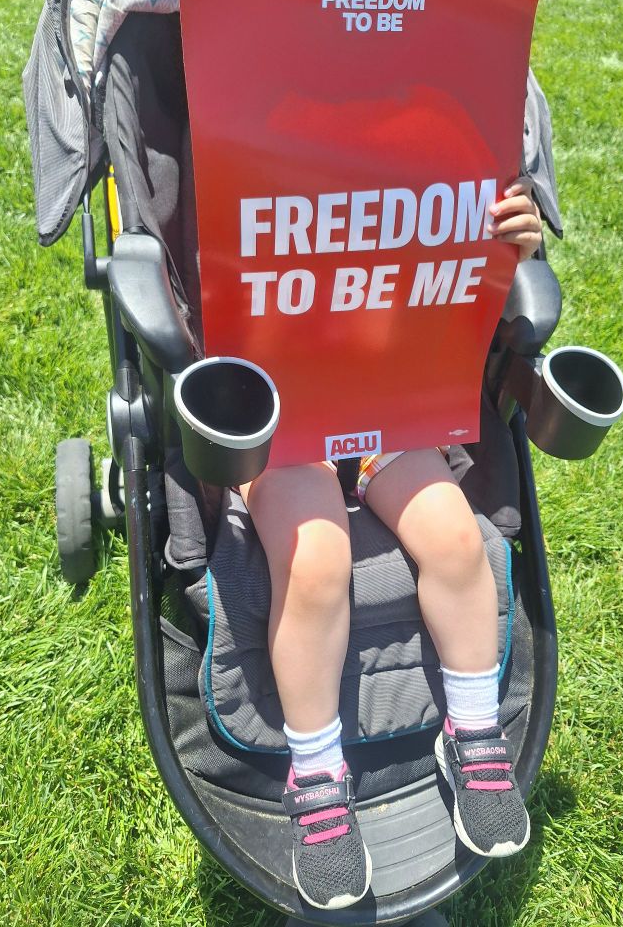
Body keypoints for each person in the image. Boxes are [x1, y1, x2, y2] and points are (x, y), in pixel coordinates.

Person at [240, 169, 543, 909]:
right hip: (276, 408)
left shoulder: (422, 143)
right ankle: (315, 770)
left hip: (386, 392)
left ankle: (470, 733)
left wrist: (510, 249)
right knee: (316, 560)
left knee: (455, 540)